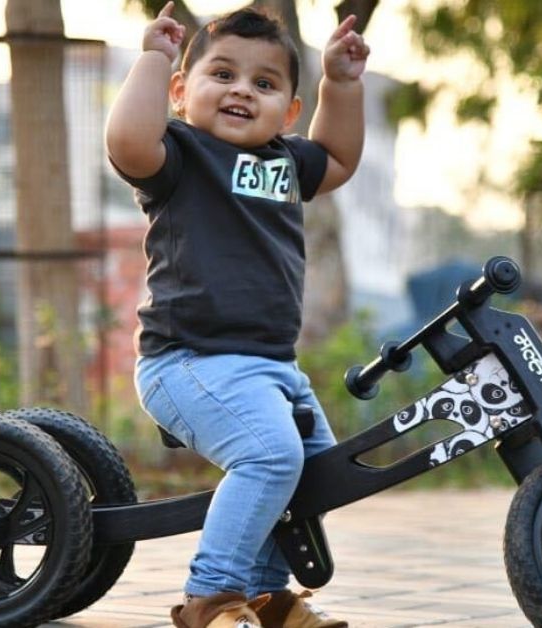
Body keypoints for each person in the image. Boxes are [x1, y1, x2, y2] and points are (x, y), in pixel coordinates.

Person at [105, 2, 369, 626]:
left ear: (289, 111)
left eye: (264, 83)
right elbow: (125, 141)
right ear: (181, 93)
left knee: (318, 474)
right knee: (274, 457)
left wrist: (342, 82)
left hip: (271, 369)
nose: (241, 92)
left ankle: (266, 595)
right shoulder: (181, 155)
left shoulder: (285, 160)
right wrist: (152, 58)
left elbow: (337, 158)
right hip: (187, 360)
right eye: (221, 75)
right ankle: (212, 595)